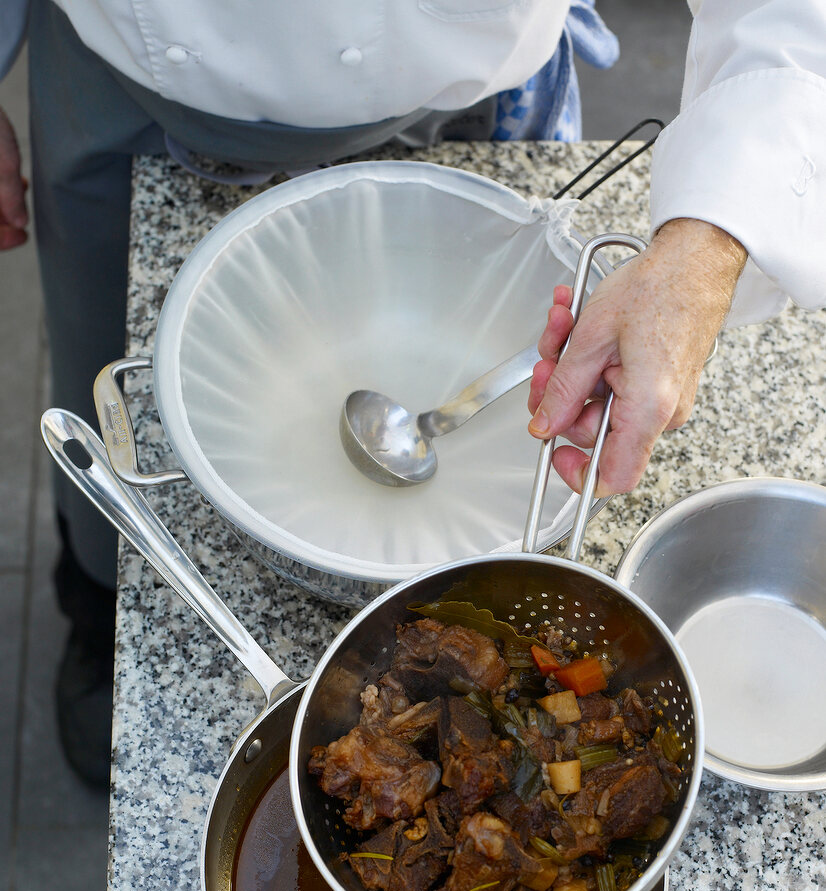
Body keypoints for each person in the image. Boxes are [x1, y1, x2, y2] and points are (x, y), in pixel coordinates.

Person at [1, 0, 824, 785]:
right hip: (135, 97)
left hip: (472, 96)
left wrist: (709, 241)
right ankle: (99, 610)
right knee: (105, 409)